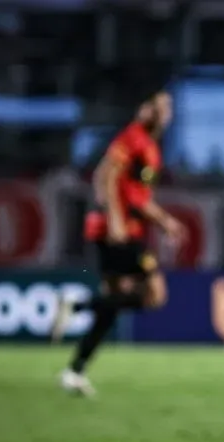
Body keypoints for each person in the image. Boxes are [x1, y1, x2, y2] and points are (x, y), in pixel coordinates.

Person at [53, 91, 185, 395]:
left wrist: (164, 222)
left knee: (111, 306)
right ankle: (76, 307)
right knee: (154, 293)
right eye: (162, 106)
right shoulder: (134, 138)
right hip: (118, 231)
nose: (167, 113)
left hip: (123, 228)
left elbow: (138, 197)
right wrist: (114, 217)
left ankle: (75, 370)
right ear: (146, 109)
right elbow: (105, 175)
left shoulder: (149, 147)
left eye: (169, 107)